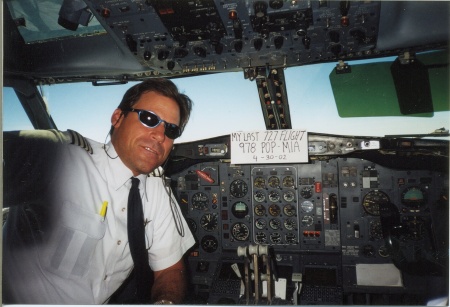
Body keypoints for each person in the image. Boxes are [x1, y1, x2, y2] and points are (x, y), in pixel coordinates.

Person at [2, 78, 196, 304]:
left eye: (171, 129)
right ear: (118, 117)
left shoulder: (156, 187)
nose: (160, 136)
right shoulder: (58, 155)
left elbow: (169, 270)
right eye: (149, 118)